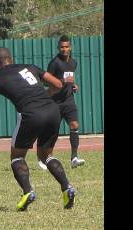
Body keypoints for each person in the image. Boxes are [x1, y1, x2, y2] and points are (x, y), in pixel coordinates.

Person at [0, 47, 76, 210]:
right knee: (46, 155)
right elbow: (58, 84)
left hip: (32, 114)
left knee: (17, 157)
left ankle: (28, 192)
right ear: (10, 58)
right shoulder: (30, 67)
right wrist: (44, 96)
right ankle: (67, 187)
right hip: (53, 111)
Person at [38, 35, 85, 170]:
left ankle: (74, 158)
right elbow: (45, 80)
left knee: (74, 125)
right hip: (55, 102)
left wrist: (74, 86)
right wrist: (62, 82)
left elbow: (69, 80)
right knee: (52, 131)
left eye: (66, 47)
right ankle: (45, 158)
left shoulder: (73, 63)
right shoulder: (55, 63)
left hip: (69, 101)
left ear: (70, 47)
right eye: (62, 47)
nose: (64, 49)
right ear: (58, 48)